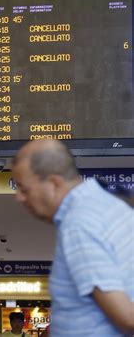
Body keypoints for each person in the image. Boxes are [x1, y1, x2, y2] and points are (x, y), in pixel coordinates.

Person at [12, 139, 134, 336]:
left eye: (25, 189)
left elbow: (127, 316)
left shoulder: (79, 224)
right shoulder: (110, 206)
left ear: (53, 183)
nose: (19, 197)